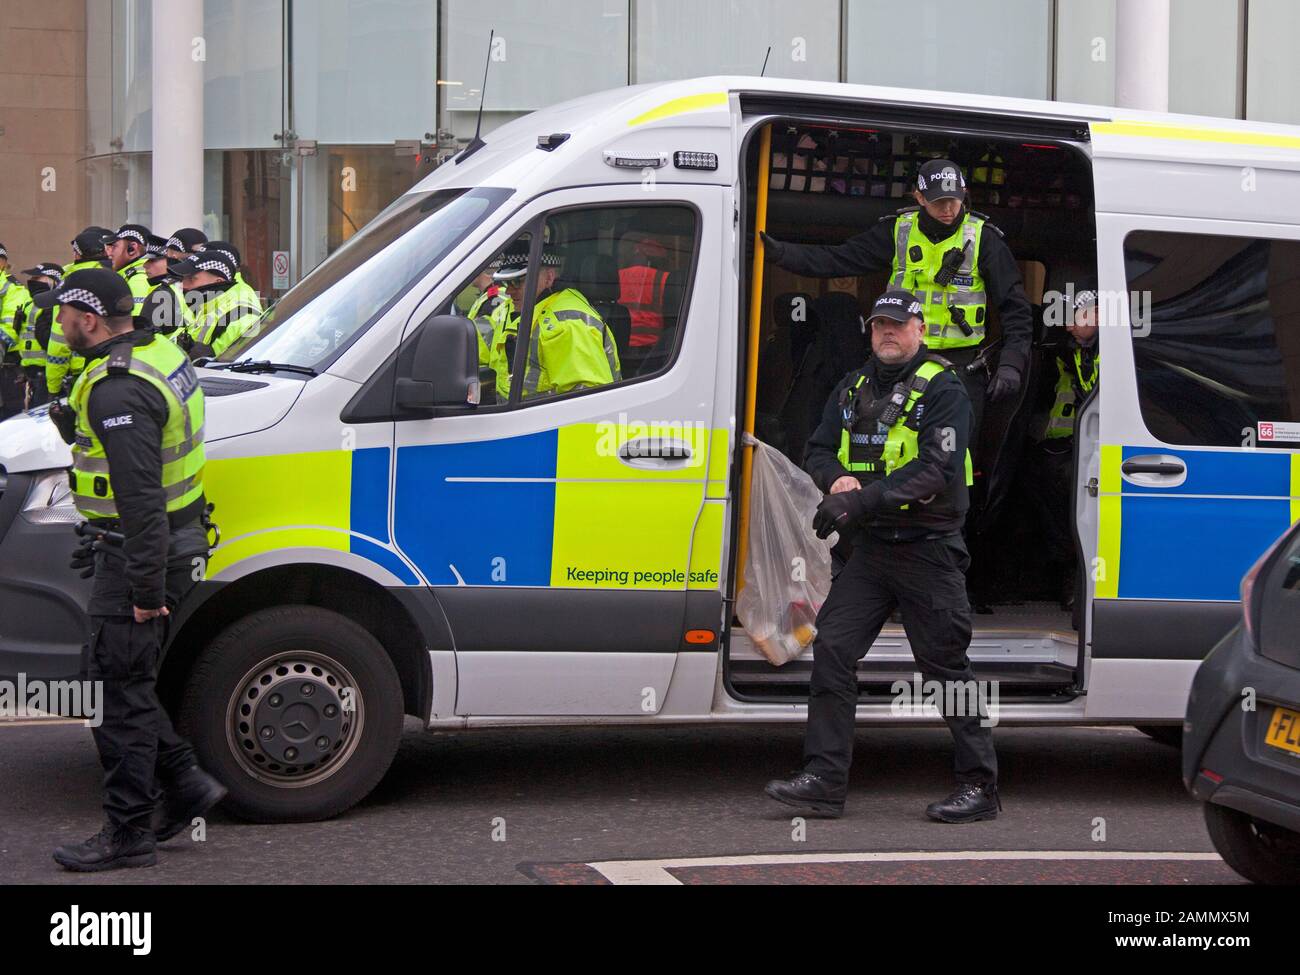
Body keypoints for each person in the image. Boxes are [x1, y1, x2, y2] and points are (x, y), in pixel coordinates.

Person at [764, 288, 1000, 823]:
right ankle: (824, 781)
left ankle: (979, 785)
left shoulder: (944, 389)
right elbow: (816, 448)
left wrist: (858, 499)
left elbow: (937, 470)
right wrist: (833, 479)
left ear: (919, 329)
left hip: (928, 551)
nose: (888, 333)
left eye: (898, 325)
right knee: (833, 651)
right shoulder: (852, 386)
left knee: (946, 669)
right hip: (872, 551)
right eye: (879, 326)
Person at [36, 269, 225, 871]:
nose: (57, 322)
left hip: (143, 553)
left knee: (117, 697)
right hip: (155, 541)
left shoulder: (117, 388)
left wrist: (144, 588)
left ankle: (128, 832)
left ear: (89, 319)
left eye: (64, 312)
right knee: (116, 681)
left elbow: (141, 496)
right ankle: (184, 784)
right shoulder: (155, 348)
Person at [761, 158, 1033, 444]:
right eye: (939, 201)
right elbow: (837, 259)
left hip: (960, 368)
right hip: (900, 366)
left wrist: (1012, 363)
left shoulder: (983, 239)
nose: (949, 209)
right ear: (919, 196)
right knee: (892, 449)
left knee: (954, 459)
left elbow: (1016, 308)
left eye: (955, 200)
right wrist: (781, 254)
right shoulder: (898, 232)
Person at [1025, 287, 1099, 612]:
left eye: (1076, 318)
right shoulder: (1069, 352)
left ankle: (1080, 580)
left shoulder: (1119, 350)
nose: (1068, 326)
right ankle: (1067, 577)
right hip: (1075, 446)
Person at [46, 227, 113, 397]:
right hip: (115, 366)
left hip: (80, 374)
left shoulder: (70, 280)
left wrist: (53, 386)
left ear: (77, 254)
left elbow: (59, 339)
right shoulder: (116, 274)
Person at [171, 250, 262, 359]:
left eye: (191, 278)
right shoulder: (206, 307)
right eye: (183, 278)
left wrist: (213, 358)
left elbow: (245, 367)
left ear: (218, 282)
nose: (183, 285)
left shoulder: (244, 317)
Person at [14, 262, 63, 409]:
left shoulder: (53, 306)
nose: (31, 281)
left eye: (37, 277)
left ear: (52, 280)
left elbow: (51, 342)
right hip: (31, 373)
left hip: (46, 374)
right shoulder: (30, 304)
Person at [0, 243, 31, 418]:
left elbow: (9, 329)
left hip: (7, 366)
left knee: (8, 420)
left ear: (2, 263)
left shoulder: (14, 290)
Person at [137, 234, 189, 339]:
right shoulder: (182, 287)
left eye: (153, 260)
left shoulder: (161, 295)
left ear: (171, 259)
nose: (145, 265)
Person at [104, 224, 155, 325]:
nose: (109, 254)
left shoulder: (138, 279)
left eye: (114, 247)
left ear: (132, 249)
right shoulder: (135, 275)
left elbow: (135, 326)